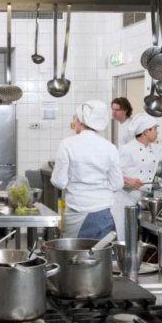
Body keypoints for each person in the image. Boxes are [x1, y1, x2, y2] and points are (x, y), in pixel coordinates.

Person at [51, 100, 123, 239]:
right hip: (104, 213)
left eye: (75, 118)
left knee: (75, 256)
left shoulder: (67, 144)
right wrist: (100, 186)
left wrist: (74, 182)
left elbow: (59, 182)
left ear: (80, 120)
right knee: (102, 256)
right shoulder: (110, 147)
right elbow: (117, 184)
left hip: (78, 211)